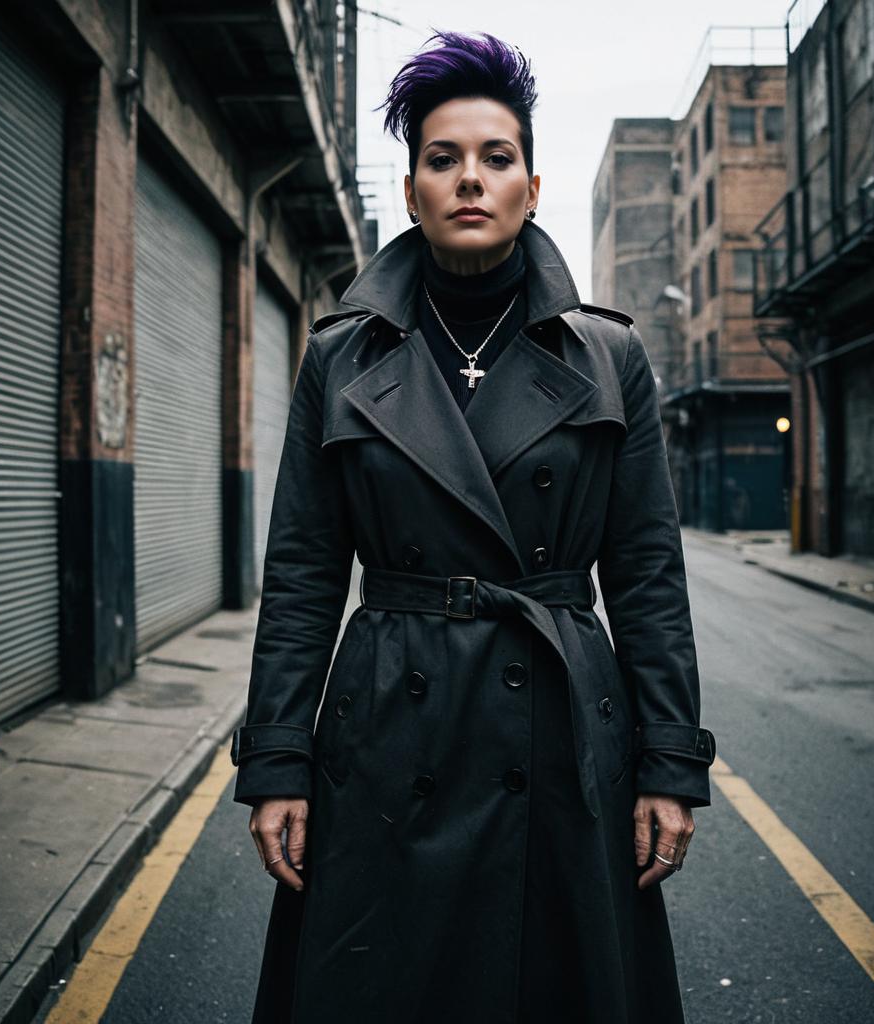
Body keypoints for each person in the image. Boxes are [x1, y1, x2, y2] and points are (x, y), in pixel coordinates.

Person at [231, 29, 717, 1024]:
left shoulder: (608, 357)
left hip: (559, 730)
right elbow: (304, 573)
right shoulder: (340, 356)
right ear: (412, 192)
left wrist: (670, 764)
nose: (468, 179)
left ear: (530, 190)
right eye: (442, 158)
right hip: (387, 728)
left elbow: (645, 574)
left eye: (495, 158)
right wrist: (277, 762)